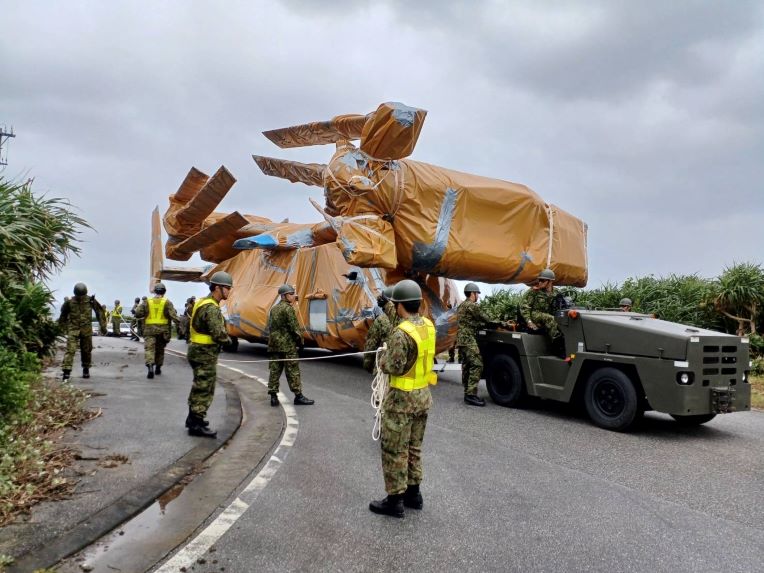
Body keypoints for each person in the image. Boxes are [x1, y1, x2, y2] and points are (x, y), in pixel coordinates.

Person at [369, 279, 436, 518]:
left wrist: (382, 359)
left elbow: (394, 367)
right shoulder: (427, 326)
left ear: (399, 306)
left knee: (394, 449)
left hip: (401, 401)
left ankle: (394, 500)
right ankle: (413, 494)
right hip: (422, 397)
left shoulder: (400, 333)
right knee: (414, 448)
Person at [185, 271, 234, 437]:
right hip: (204, 353)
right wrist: (229, 341)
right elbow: (217, 333)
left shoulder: (202, 302)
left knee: (199, 385)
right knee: (204, 388)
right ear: (218, 288)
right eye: (227, 288)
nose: (229, 291)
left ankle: (192, 418)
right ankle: (197, 424)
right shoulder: (211, 308)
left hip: (198, 350)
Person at [267, 284, 314, 407]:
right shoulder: (288, 309)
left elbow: (271, 327)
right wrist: (301, 342)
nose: (293, 296)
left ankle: (273, 396)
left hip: (274, 345)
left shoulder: (274, 309)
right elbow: (295, 328)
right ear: (284, 296)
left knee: (274, 371)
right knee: (293, 371)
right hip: (287, 346)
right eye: (291, 294)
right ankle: (298, 396)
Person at [456, 282, 500, 407]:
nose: (478, 296)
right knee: (477, 364)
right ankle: (471, 395)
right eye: (477, 294)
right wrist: (500, 323)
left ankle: (467, 392)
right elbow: (485, 318)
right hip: (468, 339)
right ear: (472, 293)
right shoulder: (472, 306)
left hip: (461, 340)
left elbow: (471, 322)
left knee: (467, 365)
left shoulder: (462, 306)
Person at [58, 283, 106, 380]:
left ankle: (86, 369)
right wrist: (62, 328)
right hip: (73, 329)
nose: (80, 298)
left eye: (82, 296)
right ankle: (66, 371)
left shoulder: (90, 301)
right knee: (70, 350)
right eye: (79, 296)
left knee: (86, 351)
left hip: (86, 330)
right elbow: (63, 315)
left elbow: (99, 312)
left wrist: (103, 326)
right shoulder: (69, 303)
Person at [134, 283, 180, 379]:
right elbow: (174, 316)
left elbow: (138, 313)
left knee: (149, 349)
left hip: (149, 331)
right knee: (160, 350)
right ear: (164, 292)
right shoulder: (167, 302)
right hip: (162, 331)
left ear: (155, 291)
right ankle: (158, 367)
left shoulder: (147, 302)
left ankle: (150, 367)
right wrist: (181, 327)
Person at [519, 268, 560, 340]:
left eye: (542, 280)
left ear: (550, 282)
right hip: (535, 314)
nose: (539, 282)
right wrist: (529, 321)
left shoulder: (556, 292)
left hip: (548, 314)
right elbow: (524, 307)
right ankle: (556, 341)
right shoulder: (534, 291)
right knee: (550, 318)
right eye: (539, 280)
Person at [363, 286, 394, 373]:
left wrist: (368, 365)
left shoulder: (381, 320)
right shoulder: (410, 321)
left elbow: (371, 345)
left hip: (383, 368)